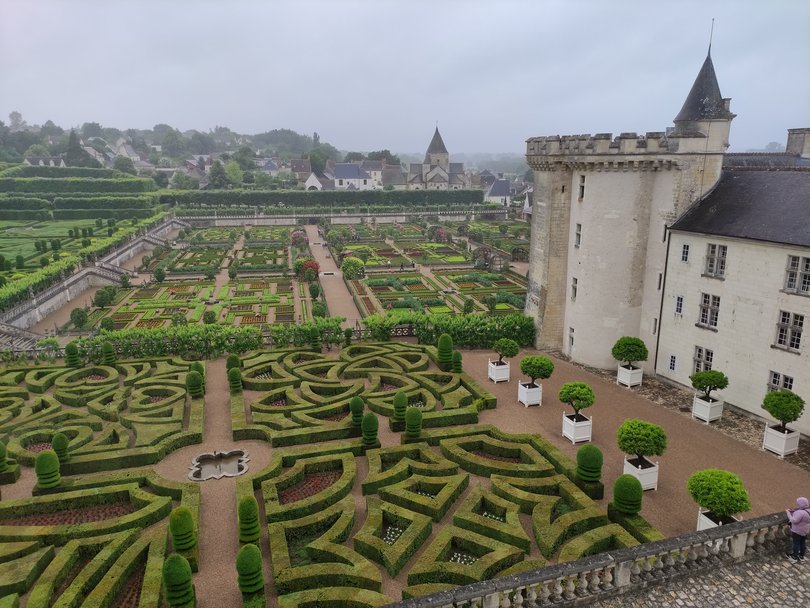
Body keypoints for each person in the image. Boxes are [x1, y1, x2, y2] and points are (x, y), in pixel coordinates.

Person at [786, 496, 810, 562]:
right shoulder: (808, 510)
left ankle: (794, 557)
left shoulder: (800, 512)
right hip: (806, 530)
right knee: (802, 542)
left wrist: (788, 513)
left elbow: (794, 520)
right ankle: (801, 556)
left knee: (796, 543)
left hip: (797, 531)